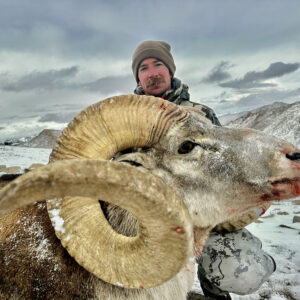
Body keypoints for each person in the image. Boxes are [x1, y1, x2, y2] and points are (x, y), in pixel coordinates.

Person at [131, 40, 276, 299]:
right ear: (138, 77)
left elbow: (228, 164)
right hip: (146, 220)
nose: (152, 73)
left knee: (244, 271)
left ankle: (213, 288)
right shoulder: (126, 119)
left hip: (200, 212)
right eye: (143, 68)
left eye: (158, 64)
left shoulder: (201, 115)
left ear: (170, 70)